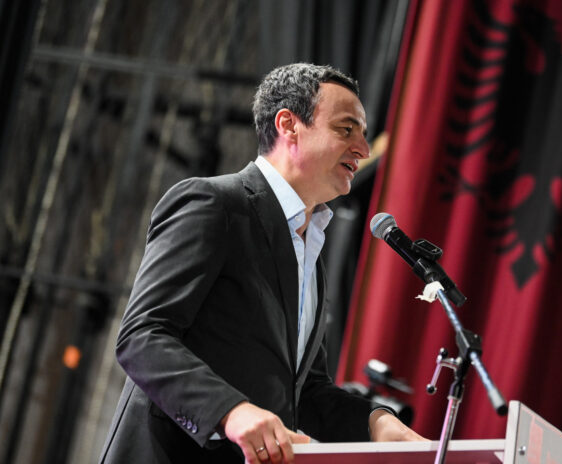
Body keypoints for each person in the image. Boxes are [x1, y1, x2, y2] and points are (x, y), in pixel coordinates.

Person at [100, 63, 424, 464]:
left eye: (363, 133)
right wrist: (232, 412)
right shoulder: (214, 204)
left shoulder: (309, 250)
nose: (363, 148)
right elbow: (142, 337)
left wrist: (376, 422)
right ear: (289, 125)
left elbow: (306, 391)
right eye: (346, 129)